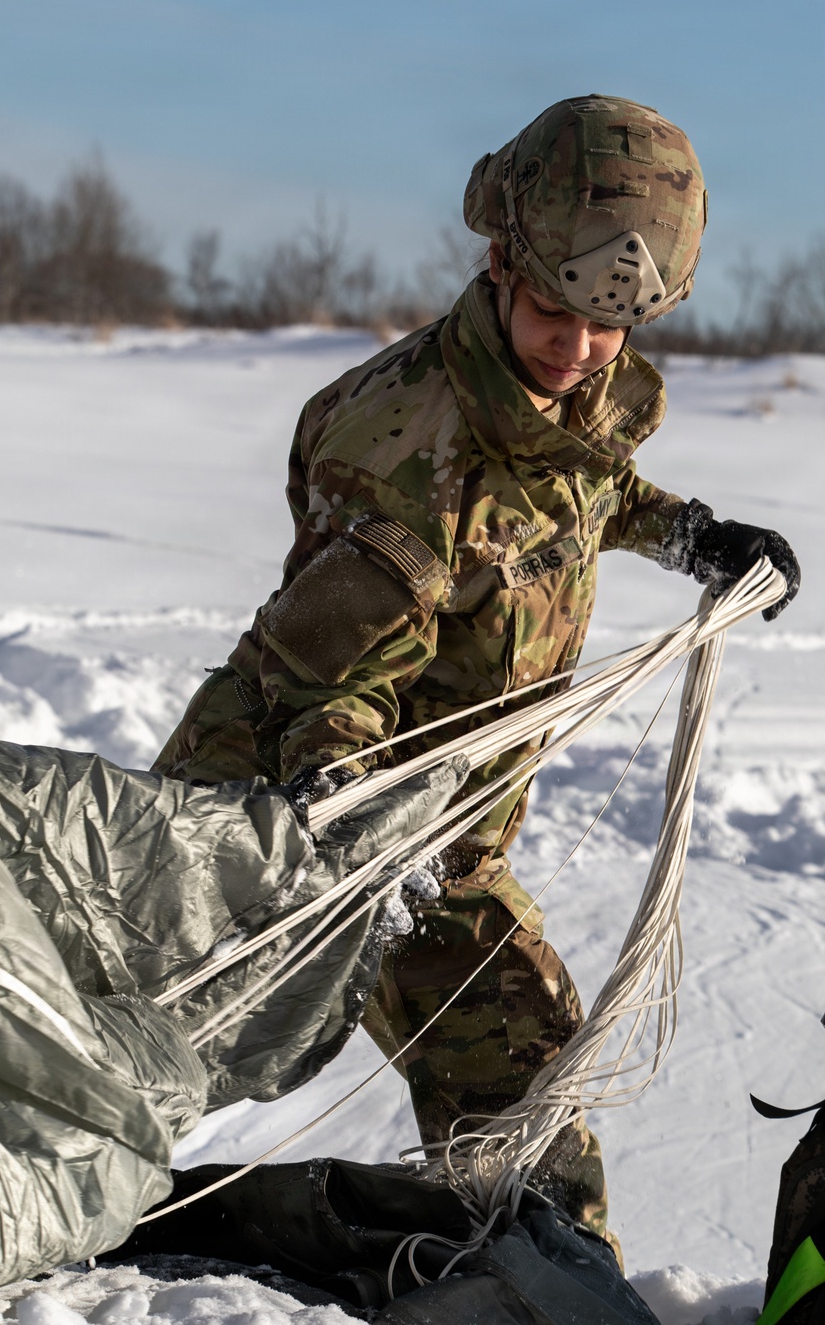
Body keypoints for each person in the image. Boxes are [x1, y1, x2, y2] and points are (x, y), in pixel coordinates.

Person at [153, 94, 800, 1243]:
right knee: (124, 1064)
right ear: (499, 261)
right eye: (557, 312)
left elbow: (574, 488)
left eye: (614, 329)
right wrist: (357, 830)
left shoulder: (553, 387)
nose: (583, 350)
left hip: (432, 836)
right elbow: (332, 689)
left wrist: (693, 537)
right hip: (286, 824)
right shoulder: (401, 452)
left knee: (530, 1132)